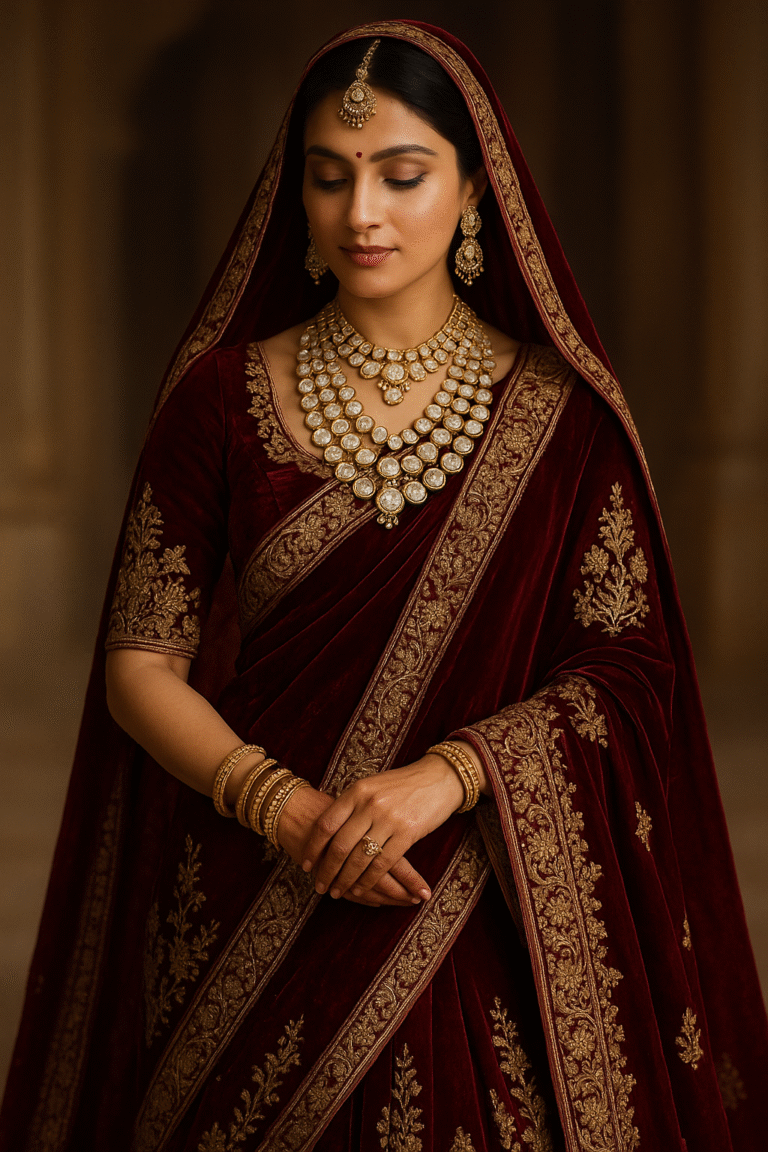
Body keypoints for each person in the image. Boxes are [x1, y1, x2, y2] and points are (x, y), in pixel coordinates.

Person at [1, 20, 766, 1152]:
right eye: (330, 177)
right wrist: (288, 808)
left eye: (403, 175)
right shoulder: (219, 403)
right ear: (298, 201)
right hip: (251, 893)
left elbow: (628, 670)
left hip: (470, 897)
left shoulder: (561, 423)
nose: (362, 212)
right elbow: (138, 665)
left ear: (473, 195)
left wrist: (451, 779)